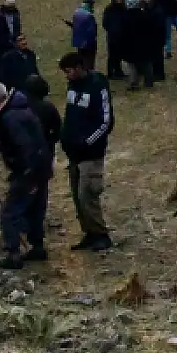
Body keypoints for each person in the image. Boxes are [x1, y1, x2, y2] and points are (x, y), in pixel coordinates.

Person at [0, 81, 54, 269]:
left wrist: (25, 171)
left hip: (28, 171)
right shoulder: (21, 108)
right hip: (42, 168)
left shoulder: (10, 117)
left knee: (9, 213)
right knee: (35, 210)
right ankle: (37, 246)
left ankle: (12, 253)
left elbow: (24, 144)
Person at [59, 51, 113, 251]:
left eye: (69, 71)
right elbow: (71, 114)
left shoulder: (98, 85)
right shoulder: (72, 86)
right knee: (76, 196)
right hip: (73, 153)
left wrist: (87, 141)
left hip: (91, 153)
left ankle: (101, 234)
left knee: (87, 194)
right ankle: (89, 233)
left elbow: (106, 121)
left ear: (80, 68)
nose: (67, 75)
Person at [67, 0, 99, 73]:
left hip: (79, 42)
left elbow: (76, 26)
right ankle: (89, 74)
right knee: (89, 61)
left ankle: (82, 71)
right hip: (88, 43)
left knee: (81, 59)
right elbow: (92, 32)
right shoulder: (89, 15)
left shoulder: (77, 13)